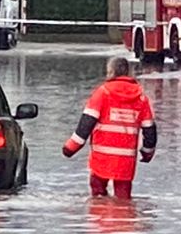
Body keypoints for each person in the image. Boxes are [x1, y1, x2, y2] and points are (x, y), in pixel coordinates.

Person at [64, 54, 158, 199]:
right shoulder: (141, 98)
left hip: (102, 158)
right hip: (126, 161)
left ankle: (102, 217)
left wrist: (70, 148)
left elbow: (85, 124)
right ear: (127, 72)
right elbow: (149, 129)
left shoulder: (103, 93)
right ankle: (124, 219)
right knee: (123, 197)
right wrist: (147, 152)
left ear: (111, 72)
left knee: (97, 194)